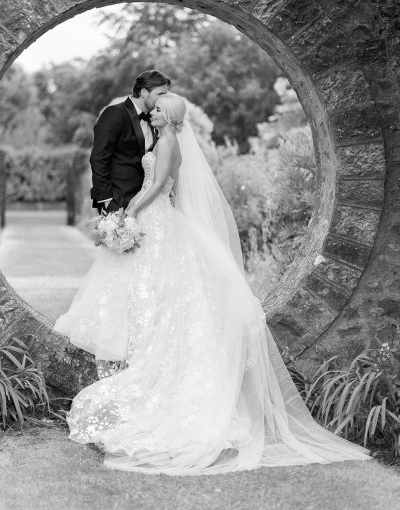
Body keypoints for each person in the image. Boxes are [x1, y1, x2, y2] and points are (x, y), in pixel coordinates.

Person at [53, 92, 370, 475]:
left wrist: (134, 207)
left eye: (155, 110)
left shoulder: (168, 142)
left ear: (168, 117)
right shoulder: (161, 139)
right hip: (154, 219)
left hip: (155, 214)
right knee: (153, 290)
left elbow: (162, 184)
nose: (150, 113)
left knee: (165, 288)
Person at [89, 69, 170, 215]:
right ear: (144, 92)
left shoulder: (156, 119)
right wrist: (108, 203)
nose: (163, 99)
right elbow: (98, 158)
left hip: (145, 202)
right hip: (117, 201)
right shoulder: (114, 114)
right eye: (160, 94)